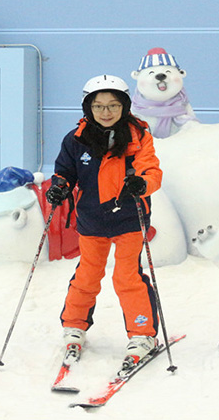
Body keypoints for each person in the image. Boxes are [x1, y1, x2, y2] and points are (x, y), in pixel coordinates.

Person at [45, 74, 162, 367]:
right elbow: (64, 172)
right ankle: (74, 327)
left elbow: (152, 171)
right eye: (98, 106)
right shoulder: (75, 139)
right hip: (92, 218)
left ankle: (142, 334)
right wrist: (59, 186)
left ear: (124, 106)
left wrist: (142, 185)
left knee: (127, 277)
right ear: (88, 108)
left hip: (129, 218)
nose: (106, 112)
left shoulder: (139, 136)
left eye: (113, 105)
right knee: (87, 273)